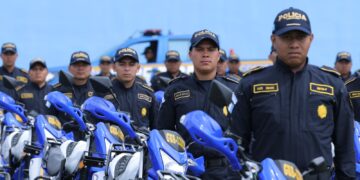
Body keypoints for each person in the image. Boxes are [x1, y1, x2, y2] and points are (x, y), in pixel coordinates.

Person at [230, 7, 355, 179]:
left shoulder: (333, 85)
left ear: (311, 39)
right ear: (273, 40)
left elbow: (345, 147)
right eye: (287, 37)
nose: (294, 44)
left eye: (301, 37)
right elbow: (236, 143)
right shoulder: (251, 84)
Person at [156, 29, 239, 179]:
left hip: (227, 171)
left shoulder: (235, 88)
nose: (205, 54)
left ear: (218, 55)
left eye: (211, 49)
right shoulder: (175, 89)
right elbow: (163, 132)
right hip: (188, 170)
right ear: (190, 55)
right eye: (200, 49)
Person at [96, 48, 158, 129]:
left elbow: (156, 128)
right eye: (122, 64)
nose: (127, 69)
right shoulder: (103, 91)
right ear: (114, 67)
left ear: (138, 68)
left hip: (142, 140)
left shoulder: (148, 93)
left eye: (131, 64)